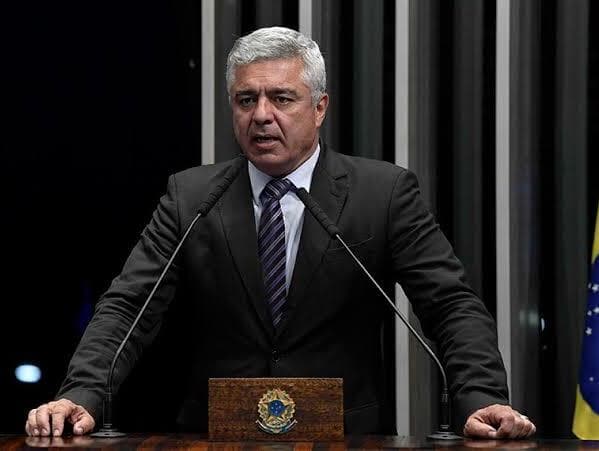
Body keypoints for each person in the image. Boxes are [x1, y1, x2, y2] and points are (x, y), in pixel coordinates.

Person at [25, 26, 535, 439]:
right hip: (212, 438)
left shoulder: (383, 194)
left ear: (320, 107)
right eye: (246, 100)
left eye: (282, 98)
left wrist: (481, 397)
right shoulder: (191, 197)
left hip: (346, 438)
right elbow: (128, 306)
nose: (262, 116)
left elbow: (450, 305)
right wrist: (81, 394)